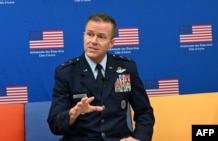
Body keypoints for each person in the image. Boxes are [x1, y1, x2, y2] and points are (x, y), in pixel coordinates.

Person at [47, 13, 155, 141]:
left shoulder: (126, 68)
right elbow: (54, 124)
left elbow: (144, 112)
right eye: (90, 34)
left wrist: (139, 138)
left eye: (101, 37)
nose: (93, 41)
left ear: (111, 43)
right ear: (84, 36)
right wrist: (72, 114)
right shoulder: (66, 72)